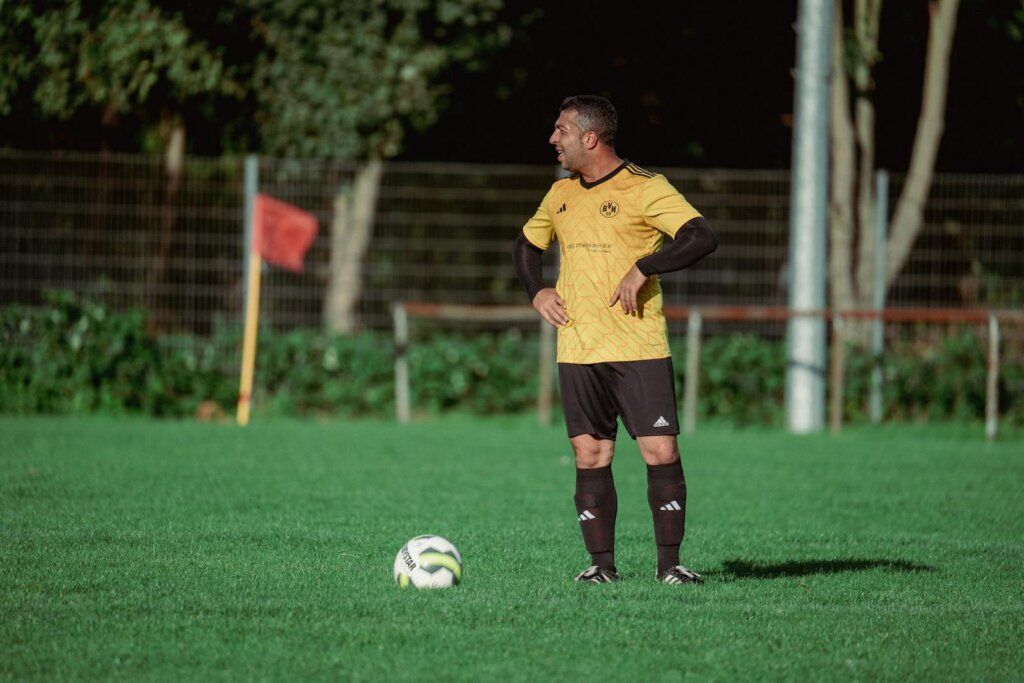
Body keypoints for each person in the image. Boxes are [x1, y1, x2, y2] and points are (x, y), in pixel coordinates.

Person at [513, 95, 718, 584]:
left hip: (639, 348)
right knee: (590, 455)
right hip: (577, 348)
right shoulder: (560, 193)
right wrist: (536, 290)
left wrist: (644, 266)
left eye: (560, 130)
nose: (552, 139)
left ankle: (670, 566)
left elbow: (700, 236)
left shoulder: (646, 187)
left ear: (590, 137)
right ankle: (601, 567)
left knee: (660, 453)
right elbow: (526, 245)